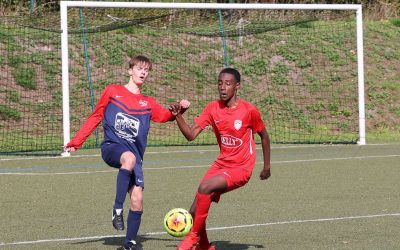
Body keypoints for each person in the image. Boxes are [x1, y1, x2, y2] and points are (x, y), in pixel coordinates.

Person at [64, 55, 189, 250]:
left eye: (146, 70)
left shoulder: (148, 102)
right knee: (128, 159)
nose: (143, 72)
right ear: (130, 70)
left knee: (138, 200)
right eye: (139, 68)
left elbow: (166, 116)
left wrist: (180, 108)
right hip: (112, 147)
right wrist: (76, 142)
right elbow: (96, 116)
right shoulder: (113, 91)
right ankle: (116, 209)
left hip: (134, 157)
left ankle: (129, 243)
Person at [169, 67, 271, 250]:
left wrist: (266, 167)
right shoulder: (212, 108)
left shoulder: (249, 111)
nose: (223, 87)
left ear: (237, 86)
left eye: (228, 83)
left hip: (241, 168)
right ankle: (205, 246)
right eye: (220, 83)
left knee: (205, 188)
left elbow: (264, 136)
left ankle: (193, 237)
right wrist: (178, 116)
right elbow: (191, 135)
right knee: (193, 210)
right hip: (221, 164)